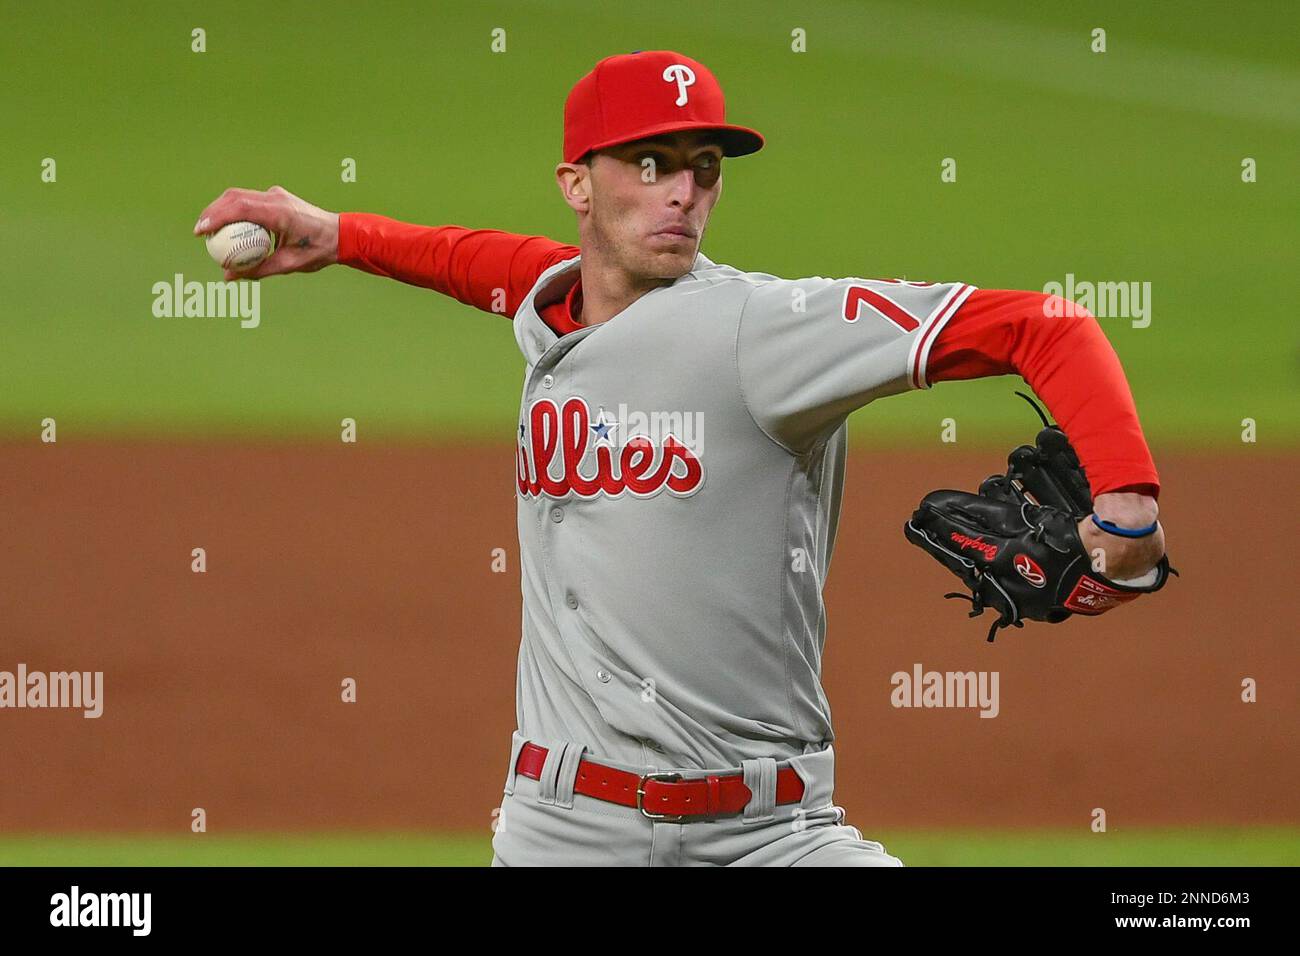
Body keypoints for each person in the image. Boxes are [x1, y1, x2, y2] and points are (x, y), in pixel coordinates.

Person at [194, 50, 1167, 866]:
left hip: (769, 832)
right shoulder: (552, 298)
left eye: (702, 165)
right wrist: (344, 236)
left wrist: (1125, 510)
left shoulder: (763, 330)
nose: (682, 191)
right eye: (648, 162)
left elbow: (1048, 324)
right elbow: (489, 264)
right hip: (559, 826)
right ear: (577, 182)